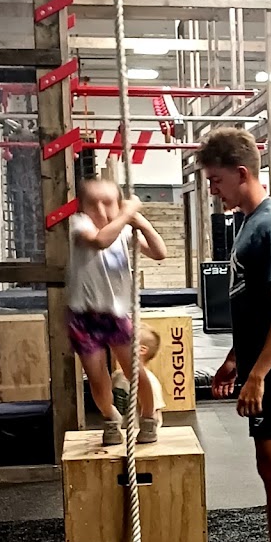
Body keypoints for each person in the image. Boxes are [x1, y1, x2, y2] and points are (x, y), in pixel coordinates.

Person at [197, 127, 271, 542]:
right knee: (269, 464)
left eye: (216, 180)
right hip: (263, 360)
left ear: (242, 174)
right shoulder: (248, 222)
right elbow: (254, 303)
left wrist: (258, 374)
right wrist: (234, 359)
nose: (213, 189)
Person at [67, 178, 167, 446]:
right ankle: (110, 416)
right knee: (97, 376)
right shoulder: (80, 225)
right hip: (84, 316)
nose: (101, 210)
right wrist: (126, 213)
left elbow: (159, 253)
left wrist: (140, 222)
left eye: (108, 203)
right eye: (93, 204)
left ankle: (149, 415)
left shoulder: (124, 232)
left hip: (116, 315)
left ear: (118, 204)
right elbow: (100, 241)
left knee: (134, 370)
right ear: (82, 207)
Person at [111, 324, 166, 432]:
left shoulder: (150, 382)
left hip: (138, 434)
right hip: (120, 433)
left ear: (141, 350)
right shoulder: (117, 377)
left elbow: (154, 415)